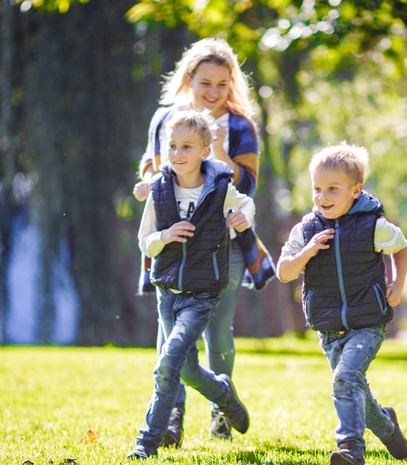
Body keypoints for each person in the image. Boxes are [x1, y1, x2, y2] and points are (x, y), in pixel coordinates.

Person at [132, 37, 272, 444]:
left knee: (218, 331)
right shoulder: (164, 120)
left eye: (222, 85)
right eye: (204, 83)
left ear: (232, 86)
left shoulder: (241, 126)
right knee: (169, 337)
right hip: (173, 242)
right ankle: (172, 422)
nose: (212, 93)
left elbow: (247, 184)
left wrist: (218, 150)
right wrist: (146, 184)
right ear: (188, 79)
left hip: (220, 246)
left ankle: (221, 415)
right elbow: (150, 164)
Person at [126, 109, 254, 459]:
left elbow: (246, 204)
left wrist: (243, 218)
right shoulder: (159, 189)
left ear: (204, 152)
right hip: (167, 292)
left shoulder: (219, 188)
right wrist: (165, 236)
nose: (177, 154)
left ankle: (146, 442)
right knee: (186, 368)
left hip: (203, 293)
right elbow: (145, 241)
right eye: (172, 146)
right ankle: (224, 393)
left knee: (168, 362)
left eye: (186, 147)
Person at [276, 143, 407, 465]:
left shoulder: (372, 225)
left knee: (344, 379)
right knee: (353, 386)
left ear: (355, 190)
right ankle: (387, 425)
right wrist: (306, 252)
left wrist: (397, 283)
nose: (323, 196)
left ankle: (351, 449)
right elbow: (283, 272)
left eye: (332, 189)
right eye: (317, 189)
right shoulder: (305, 229)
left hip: (368, 322)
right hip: (330, 328)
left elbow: (401, 247)